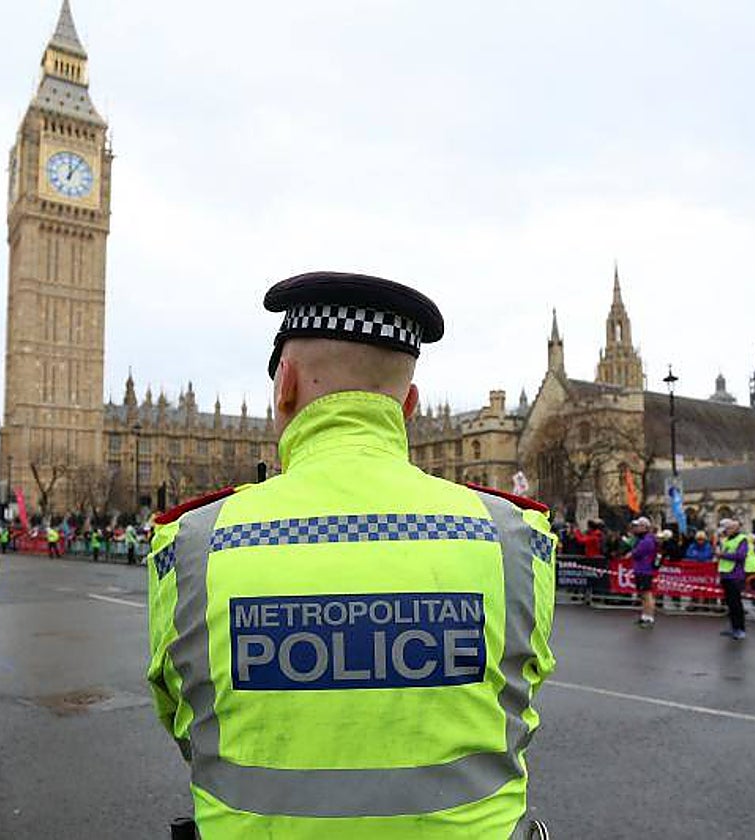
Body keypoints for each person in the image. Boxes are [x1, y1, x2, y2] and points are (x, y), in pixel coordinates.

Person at [146, 271, 557, 838]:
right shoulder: (515, 537)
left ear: (284, 383)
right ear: (410, 404)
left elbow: (185, 718)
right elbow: (519, 703)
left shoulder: (192, 542)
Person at [717, 518, 755, 640]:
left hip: (735, 575)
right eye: (726, 528)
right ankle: (733, 627)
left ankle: (740, 629)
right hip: (725, 574)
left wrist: (722, 555)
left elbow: (741, 556)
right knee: (730, 603)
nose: (726, 530)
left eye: (729, 528)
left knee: (736, 604)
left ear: (735, 529)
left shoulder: (742, 539)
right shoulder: (727, 540)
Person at [628, 517, 658, 627]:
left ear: (645, 527)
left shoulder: (647, 540)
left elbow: (636, 553)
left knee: (647, 594)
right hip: (640, 569)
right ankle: (644, 615)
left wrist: (633, 551)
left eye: (639, 526)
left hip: (645, 570)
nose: (636, 528)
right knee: (643, 594)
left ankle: (649, 618)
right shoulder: (642, 539)